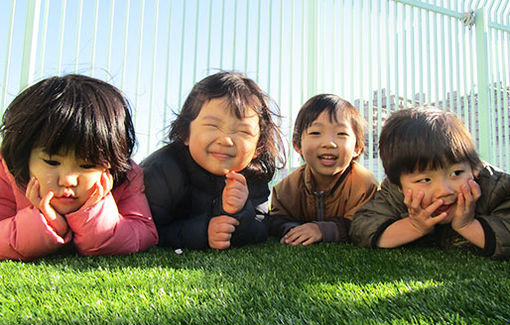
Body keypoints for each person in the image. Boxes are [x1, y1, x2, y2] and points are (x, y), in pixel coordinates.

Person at [0, 74, 159, 261]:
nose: (68, 180)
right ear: (24, 156)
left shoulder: (125, 176)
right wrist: (44, 223)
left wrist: (93, 218)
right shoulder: (7, 172)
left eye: (86, 165)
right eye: (52, 162)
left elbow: (145, 232)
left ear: (111, 163)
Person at [142, 71, 285, 250]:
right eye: (212, 126)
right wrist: (203, 232)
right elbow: (146, 230)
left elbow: (261, 228)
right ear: (185, 133)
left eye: (243, 131)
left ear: (258, 147)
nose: (225, 140)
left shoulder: (253, 175)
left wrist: (241, 211)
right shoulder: (162, 170)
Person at [350, 106, 510, 259]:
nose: (444, 190)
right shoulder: (394, 194)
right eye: (425, 180)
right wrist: (414, 226)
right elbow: (363, 226)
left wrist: (468, 225)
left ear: (474, 169)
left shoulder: (496, 187)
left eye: (456, 173)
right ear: (400, 187)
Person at [269, 94, 378, 245]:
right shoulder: (286, 189)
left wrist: (323, 230)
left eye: (341, 134)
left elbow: (365, 224)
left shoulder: (365, 185)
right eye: (315, 133)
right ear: (297, 145)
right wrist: (293, 230)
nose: (329, 143)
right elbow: (276, 218)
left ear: (357, 148)